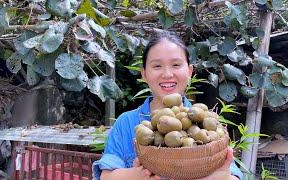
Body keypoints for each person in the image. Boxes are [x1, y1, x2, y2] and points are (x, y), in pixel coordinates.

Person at [92, 31, 243, 180]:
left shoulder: (205, 121)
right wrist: (139, 175)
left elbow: (232, 175)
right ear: (144, 73)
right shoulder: (126, 123)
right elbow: (106, 176)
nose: (167, 74)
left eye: (176, 65)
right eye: (157, 66)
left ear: (190, 71)